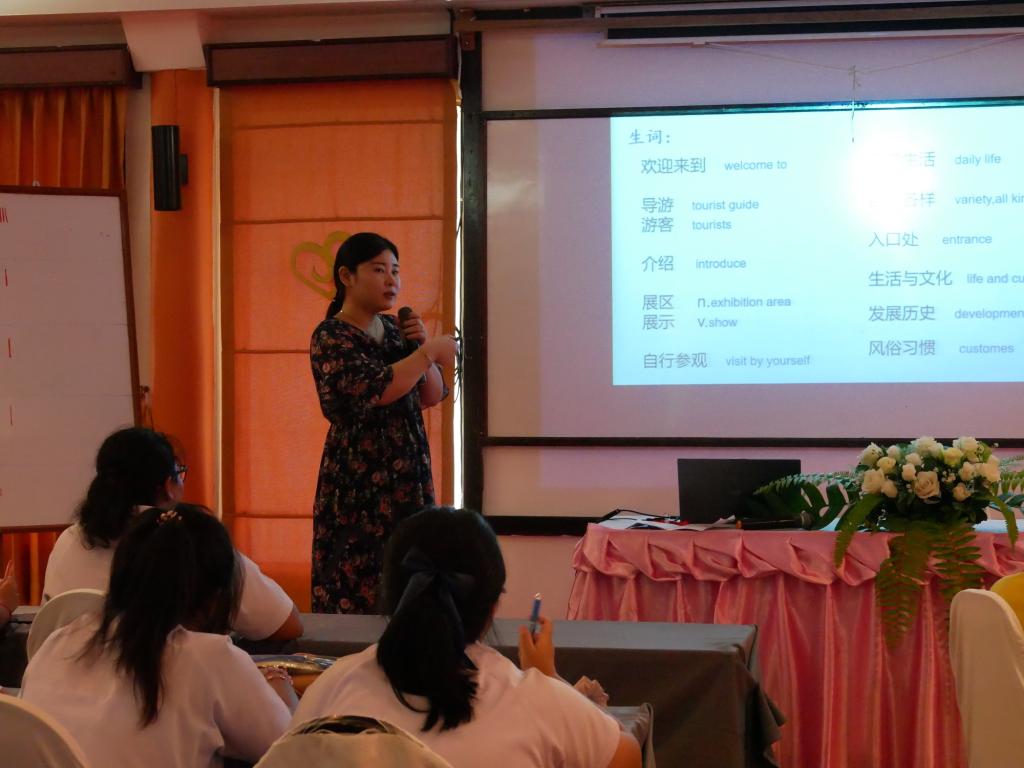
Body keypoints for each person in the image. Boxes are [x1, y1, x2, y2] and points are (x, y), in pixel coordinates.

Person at [293, 507, 642, 768]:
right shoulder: (538, 703)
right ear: (492, 606)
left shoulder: (332, 689)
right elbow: (626, 755)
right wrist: (550, 677)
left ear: (390, 596)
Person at [22, 504, 295, 767]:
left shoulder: (57, 643)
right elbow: (295, 752)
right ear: (214, 598)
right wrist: (279, 684)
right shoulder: (210, 658)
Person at [310, 233, 458, 613]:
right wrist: (427, 353)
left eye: (395, 271)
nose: (391, 280)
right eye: (379, 270)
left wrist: (420, 347)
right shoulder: (331, 335)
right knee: (358, 585)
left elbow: (431, 395)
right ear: (347, 276)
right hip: (360, 481)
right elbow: (376, 389)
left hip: (407, 475)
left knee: (412, 582)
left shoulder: (394, 329)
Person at [43, 426, 302, 642]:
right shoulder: (192, 543)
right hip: (165, 685)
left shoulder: (69, 541)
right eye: (179, 473)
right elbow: (284, 625)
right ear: (168, 486)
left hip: (66, 682)